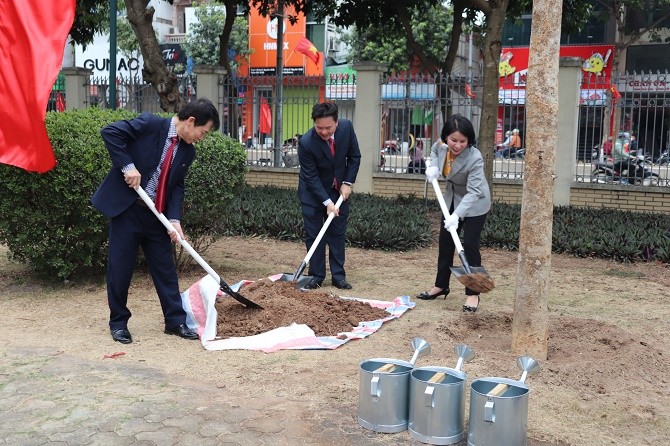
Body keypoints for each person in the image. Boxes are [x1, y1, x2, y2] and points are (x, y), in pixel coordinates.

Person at [91, 98, 220, 344]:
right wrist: (128, 166)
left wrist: (174, 219)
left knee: (166, 270)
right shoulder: (150, 124)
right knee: (120, 269)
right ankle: (118, 323)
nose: (201, 138)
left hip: (156, 215)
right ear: (191, 121)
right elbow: (110, 132)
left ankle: (175, 321)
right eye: (202, 132)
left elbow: (176, 186)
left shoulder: (187, 151)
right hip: (128, 210)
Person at [417, 114, 491, 312]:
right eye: (453, 140)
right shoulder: (441, 145)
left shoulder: (474, 158)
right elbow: (434, 150)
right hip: (450, 198)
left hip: (474, 203)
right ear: (446, 138)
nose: (457, 145)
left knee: (469, 245)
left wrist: (457, 216)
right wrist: (433, 166)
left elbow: (474, 191)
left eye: (462, 141)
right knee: (446, 244)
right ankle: (441, 285)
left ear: (469, 140)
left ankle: (473, 294)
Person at [297, 102, 361, 290]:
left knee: (337, 233)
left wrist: (347, 182)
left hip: (338, 191)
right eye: (319, 127)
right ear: (314, 123)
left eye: (328, 128)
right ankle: (316, 275)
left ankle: (338, 276)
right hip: (312, 194)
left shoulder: (347, 128)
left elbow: (354, 157)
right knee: (314, 235)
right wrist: (326, 202)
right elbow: (311, 176)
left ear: (337, 122)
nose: (324, 132)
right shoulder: (307, 142)